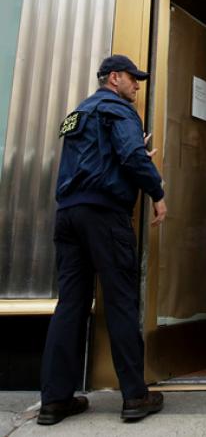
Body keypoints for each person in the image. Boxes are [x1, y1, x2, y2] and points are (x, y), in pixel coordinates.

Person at [38, 55, 167, 426]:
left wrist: (131, 154)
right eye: (133, 79)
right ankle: (135, 396)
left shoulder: (79, 113)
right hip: (104, 217)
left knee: (71, 304)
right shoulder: (118, 109)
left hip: (69, 216)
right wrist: (156, 191)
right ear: (114, 78)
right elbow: (128, 155)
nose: (137, 86)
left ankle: (55, 401)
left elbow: (96, 159)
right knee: (121, 300)